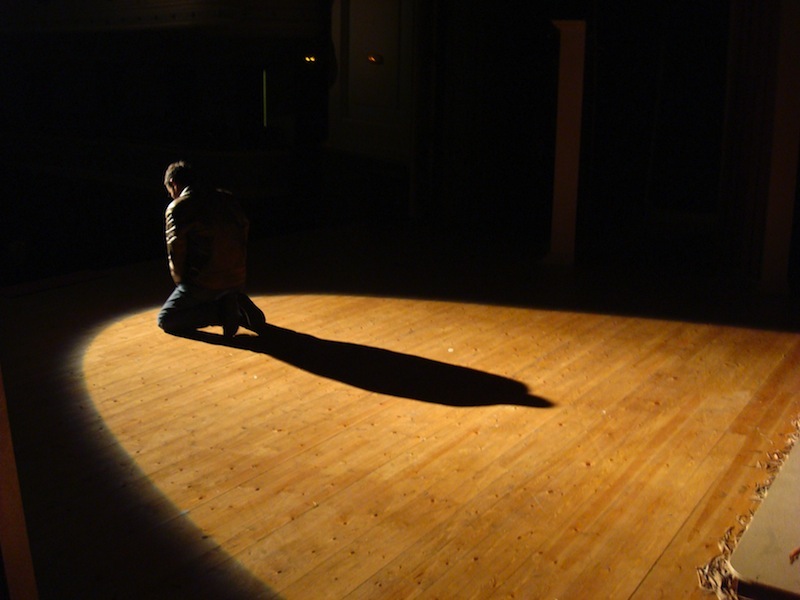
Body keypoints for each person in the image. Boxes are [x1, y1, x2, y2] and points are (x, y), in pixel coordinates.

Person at [157, 161, 265, 337]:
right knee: (221, 290)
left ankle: (222, 311)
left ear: (173, 184)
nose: (171, 195)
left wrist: (182, 284)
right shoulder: (228, 199)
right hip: (237, 277)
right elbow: (242, 235)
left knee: (166, 319)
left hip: (204, 281)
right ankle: (234, 299)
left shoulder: (179, 207)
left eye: (170, 191)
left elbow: (176, 252)